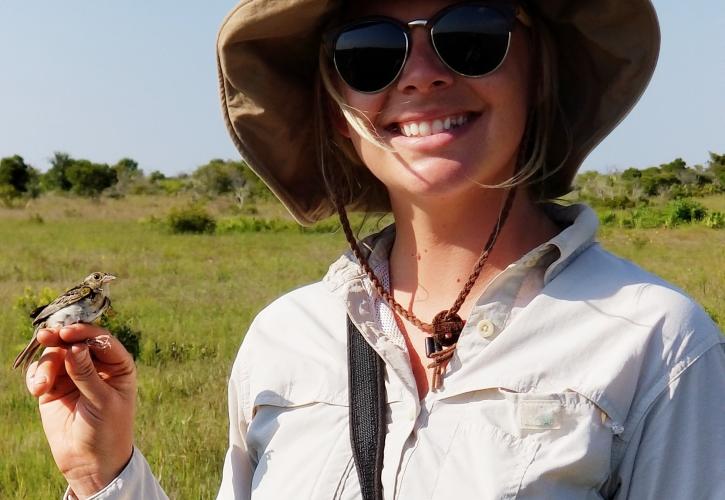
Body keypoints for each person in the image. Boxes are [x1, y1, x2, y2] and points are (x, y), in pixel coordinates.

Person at [25, 0, 725, 498]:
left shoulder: (654, 343)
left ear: (539, 76)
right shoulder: (284, 338)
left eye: (472, 33)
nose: (419, 74)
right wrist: (102, 473)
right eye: (367, 54)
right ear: (336, 115)